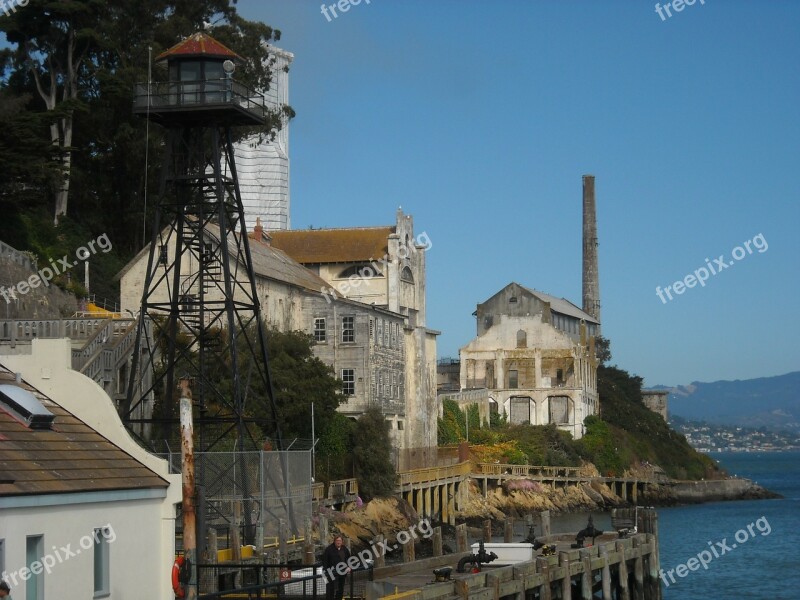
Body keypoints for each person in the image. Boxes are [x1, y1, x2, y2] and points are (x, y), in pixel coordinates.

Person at [321, 534, 351, 600]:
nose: (338, 542)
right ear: (334, 541)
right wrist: (326, 572)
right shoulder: (329, 549)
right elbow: (325, 561)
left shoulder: (344, 549)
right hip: (331, 573)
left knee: (340, 589)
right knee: (330, 590)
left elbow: (349, 559)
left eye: (340, 540)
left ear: (342, 541)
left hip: (342, 573)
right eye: (337, 540)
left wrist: (349, 566)